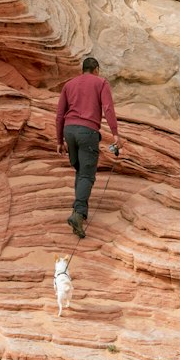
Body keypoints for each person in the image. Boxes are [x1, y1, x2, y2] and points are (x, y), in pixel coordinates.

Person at [56, 56, 119, 238]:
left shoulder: (69, 85)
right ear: (96, 69)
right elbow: (108, 109)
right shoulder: (101, 83)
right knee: (86, 175)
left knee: (80, 171)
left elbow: (60, 115)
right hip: (87, 132)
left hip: (69, 131)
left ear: (82, 70)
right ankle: (77, 214)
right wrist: (115, 135)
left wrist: (59, 140)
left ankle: (80, 214)